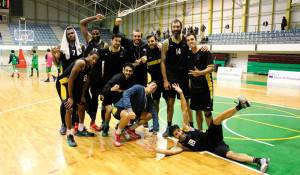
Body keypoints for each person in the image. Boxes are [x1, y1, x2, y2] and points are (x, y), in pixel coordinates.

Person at [143, 84, 270, 173]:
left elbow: (184, 109)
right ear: (175, 137)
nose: (179, 133)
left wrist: (181, 93)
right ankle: (260, 160)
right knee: (231, 155)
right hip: (213, 146)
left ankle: (240, 106)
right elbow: (170, 152)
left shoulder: (187, 128)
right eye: (176, 134)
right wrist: (156, 150)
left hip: (210, 134)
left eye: (179, 131)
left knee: (216, 120)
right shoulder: (181, 146)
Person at [56, 51, 99, 147]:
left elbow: (86, 81)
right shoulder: (81, 63)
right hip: (63, 84)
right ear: (88, 55)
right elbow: (70, 79)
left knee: (82, 104)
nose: (94, 61)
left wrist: (82, 95)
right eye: (93, 58)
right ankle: (69, 134)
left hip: (74, 85)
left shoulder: (90, 66)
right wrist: (70, 97)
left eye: (96, 60)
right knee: (69, 108)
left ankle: (80, 129)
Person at [160, 19, 192, 137]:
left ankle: (190, 127)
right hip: (171, 78)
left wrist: (204, 47)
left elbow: (194, 49)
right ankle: (169, 127)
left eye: (178, 27)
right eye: (174, 27)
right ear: (171, 28)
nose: (176, 29)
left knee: (186, 103)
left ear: (181, 28)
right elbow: (162, 63)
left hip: (184, 78)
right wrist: (165, 80)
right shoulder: (166, 43)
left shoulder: (186, 41)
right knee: (170, 103)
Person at [52, 26, 85, 135]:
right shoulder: (61, 48)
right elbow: (57, 64)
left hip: (77, 80)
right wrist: (53, 55)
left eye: (72, 33)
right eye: (69, 34)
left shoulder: (81, 47)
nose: (71, 35)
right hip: (64, 80)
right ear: (66, 36)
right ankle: (63, 124)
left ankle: (74, 122)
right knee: (65, 103)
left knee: (75, 101)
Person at [80, 13, 108, 131]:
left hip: (97, 77)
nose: (95, 35)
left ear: (100, 34)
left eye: (97, 34)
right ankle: (79, 121)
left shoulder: (105, 45)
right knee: (83, 98)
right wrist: (95, 18)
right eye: (94, 33)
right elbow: (82, 23)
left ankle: (93, 122)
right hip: (85, 74)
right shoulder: (89, 40)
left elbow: (107, 63)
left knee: (95, 99)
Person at [112, 81, 160, 147]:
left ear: (154, 91)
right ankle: (118, 133)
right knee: (127, 115)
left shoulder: (149, 99)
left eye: (155, 88)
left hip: (132, 113)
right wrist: (129, 109)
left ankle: (130, 129)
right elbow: (126, 94)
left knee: (150, 115)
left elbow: (154, 114)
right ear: (147, 84)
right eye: (153, 85)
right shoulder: (138, 88)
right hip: (118, 108)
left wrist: (155, 132)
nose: (154, 87)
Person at [186, 33, 214, 130]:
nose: (190, 41)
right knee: (197, 111)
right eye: (188, 40)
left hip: (205, 87)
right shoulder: (188, 55)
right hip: (194, 88)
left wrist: (200, 73)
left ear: (196, 40)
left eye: (192, 39)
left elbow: (211, 68)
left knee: (207, 112)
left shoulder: (205, 52)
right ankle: (200, 132)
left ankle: (211, 134)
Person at [101, 62, 136, 137]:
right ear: (123, 71)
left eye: (130, 71)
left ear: (132, 72)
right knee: (109, 109)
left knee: (127, 110)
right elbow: (103, 90)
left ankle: (120, 124)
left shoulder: (132, 81)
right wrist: (111, 89)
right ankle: (106, 126)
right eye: (126, 70)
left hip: (119, 99)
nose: (128, 73)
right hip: (110, 96)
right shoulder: (117, 78)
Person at [113, 18, 148, 87]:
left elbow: (154, 45)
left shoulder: (145, 45)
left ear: (142, 37)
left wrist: (159, 45)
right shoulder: (128, 43)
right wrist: (116, 25)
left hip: (142, 76)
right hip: (130, 75)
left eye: (139, 36)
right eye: (135, 36)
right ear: (132, 36)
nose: (137, 38)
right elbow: (116, 34)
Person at [145, 34, 165, 124]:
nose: (150, 43)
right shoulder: (146, 52)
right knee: (155, 102)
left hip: (165, 80)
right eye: (149, 42)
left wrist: (162, 45)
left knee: (169, 102)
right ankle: (155, 123)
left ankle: (169, 123)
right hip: (155, 82)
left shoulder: (161, 49)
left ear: (156, 41)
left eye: (152, 41)